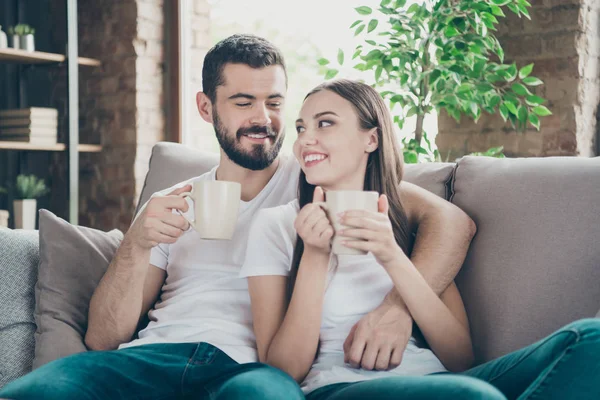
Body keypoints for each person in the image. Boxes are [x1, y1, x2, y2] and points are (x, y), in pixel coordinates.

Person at [0, 36, 476, 400]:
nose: (263, 118)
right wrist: (137, 244)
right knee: (42, 390)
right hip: (153, 356)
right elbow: (104, 337)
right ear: (206, 107)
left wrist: (396, 308)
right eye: (243, 102)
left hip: (251, 368)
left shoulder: (319, 180)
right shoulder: (172, 199)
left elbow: (451, 224)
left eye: (274, 102)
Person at [240, 79, 600, 400]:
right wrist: (316, 255)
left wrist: (393, 256)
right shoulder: (278, 224)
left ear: (372, 138)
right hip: (343, 385)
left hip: (442, 379)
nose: (306, 139)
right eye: (301, 127)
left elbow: (461, 357)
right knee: (471, 395)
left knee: (591, 339)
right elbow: (284, 370)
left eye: (325, 123)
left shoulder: (408, 222)